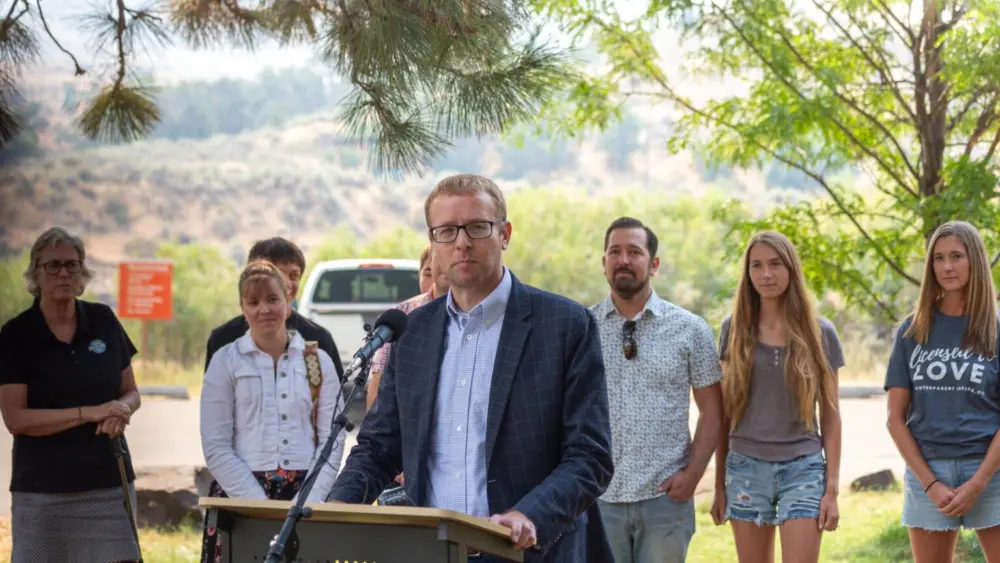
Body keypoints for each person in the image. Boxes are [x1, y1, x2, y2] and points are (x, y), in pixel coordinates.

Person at [327, 173, 615, 562]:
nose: (461, 242)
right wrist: (336, 509)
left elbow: (590, 456)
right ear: (433, 243)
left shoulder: (564, 326)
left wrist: (529, 515)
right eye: (446, 231)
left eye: (477, 227)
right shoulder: (411, 333)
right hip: (431, 552)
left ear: (505, 234)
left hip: (525, 552)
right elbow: (379, 447)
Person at [0, 226, 142, 563]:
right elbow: (16, 419)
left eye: (72, 264)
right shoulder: (16, 335)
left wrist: (120, 409)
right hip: (42, 493)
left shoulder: (104, 320)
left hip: (109, 486)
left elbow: (131, 392)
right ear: (36, 272)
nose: (63, 272)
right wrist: (88, 412)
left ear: (82, 273)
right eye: (53, 265)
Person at [590, 216, 723, 563]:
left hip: (665, 500)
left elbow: (713, 411)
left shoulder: (690, 329)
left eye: (634, 251)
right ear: (603, 262)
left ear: (654, 264)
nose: (623, 259)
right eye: (614, 251)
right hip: (599, 500)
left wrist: (693, 476)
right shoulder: (581, 328)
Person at [710, 231, 844, 563]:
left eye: (775, 264)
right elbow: (724, 413)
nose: (766, 274)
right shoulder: (734, 329)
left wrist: (832, 489)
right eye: (757, 265)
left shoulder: (820, 332)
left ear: (791, 269)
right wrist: (718, 486)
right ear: (748, 273)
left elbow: (830, 414)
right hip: (745, 466)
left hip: (803, 467)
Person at [199, 260, 346, 563]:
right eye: (253, 302)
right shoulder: (226, 362)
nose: (263, 309)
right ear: (242, 307)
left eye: (272, 299)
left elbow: (333, 439)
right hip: (240, 499)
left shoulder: (317, 361)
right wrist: (257, 505)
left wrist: (309, 500)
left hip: (306, 496)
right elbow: (215, 445)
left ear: (287, 301)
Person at [885, 220, 1000, 563]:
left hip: (989, 471)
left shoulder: (995, 330)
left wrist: (979, 482)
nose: (947, 267)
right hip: (928, 470)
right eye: (938, 258)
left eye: (956, 256)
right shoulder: (912, 330)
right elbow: (894, 419)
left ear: (974, 261)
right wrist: (930, 484)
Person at [204, 237, 345, 382]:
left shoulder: (318, 339)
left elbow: (334, 400)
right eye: (276, 274)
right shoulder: (224, 340)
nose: (287, 283)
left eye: (294, 276)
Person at [367, 245, 450, 409]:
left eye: (442, 271)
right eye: (428, 273)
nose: (434, 280)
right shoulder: (401, 314)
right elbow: (378, 380)